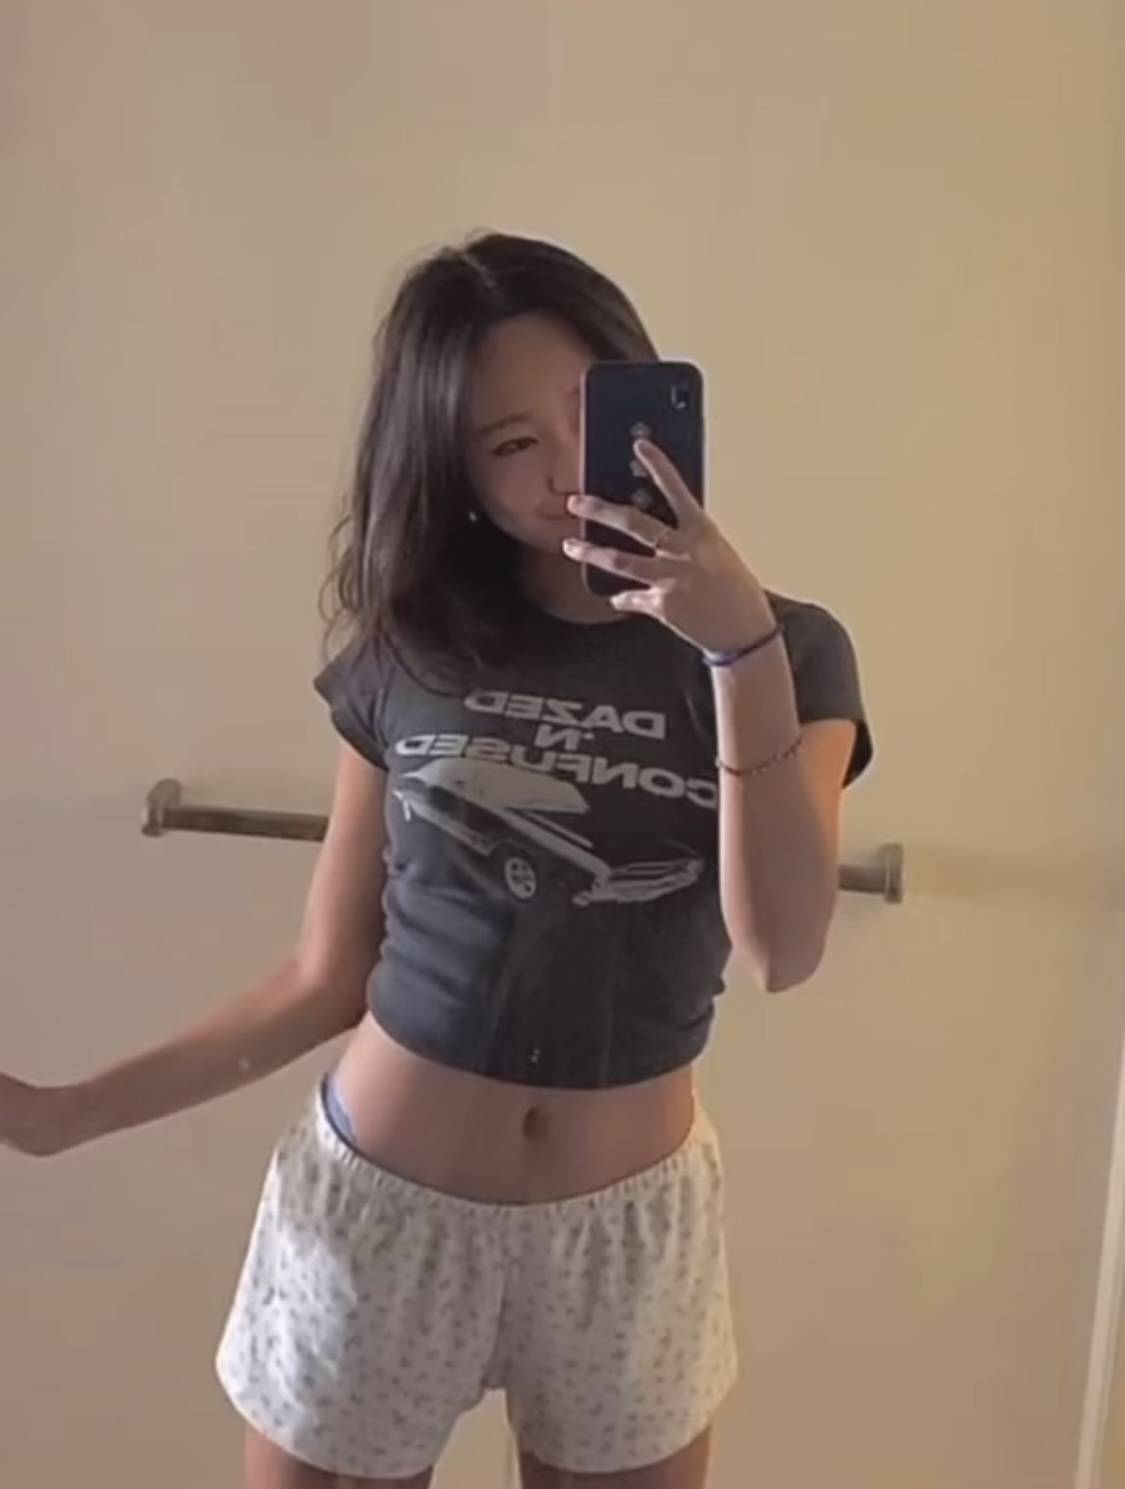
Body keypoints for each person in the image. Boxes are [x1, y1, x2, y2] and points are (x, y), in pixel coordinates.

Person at [0, 232, 872, 1489]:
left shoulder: (793, 649)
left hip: (625, 1238)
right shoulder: (415, 645)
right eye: (512, 444)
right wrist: (60, 1116)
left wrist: (738, 653)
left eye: (589, 410)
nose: (566, 469)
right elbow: (324, 974)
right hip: (385, 1210)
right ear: (457, 474)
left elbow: (782, 946)